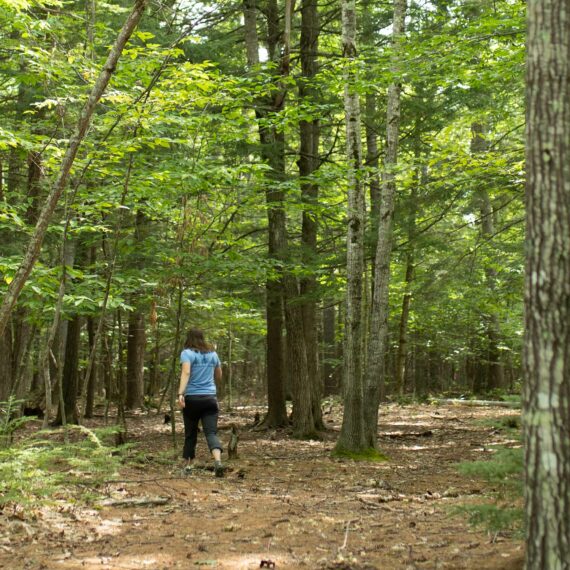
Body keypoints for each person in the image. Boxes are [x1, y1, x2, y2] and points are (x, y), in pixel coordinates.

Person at [177, 328, 224, 477]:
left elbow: (186, 372)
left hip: (192, 399)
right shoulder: (213, 354)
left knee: (190, 433)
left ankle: (188, 466)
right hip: (210, 398)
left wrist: (180, 393)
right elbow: (219, 374)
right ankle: (218, 461)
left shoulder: (187, 353)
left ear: (188, 338)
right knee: (211, 432)